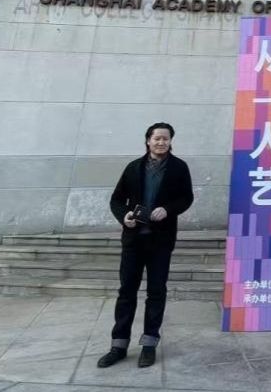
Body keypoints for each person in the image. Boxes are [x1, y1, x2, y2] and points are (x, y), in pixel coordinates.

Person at [96, 122, 194, 369]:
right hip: (133, 240)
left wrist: (168, 209)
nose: (161, 142)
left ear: (171, 142)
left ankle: (149, 344)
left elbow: (186, 198)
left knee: (156, 291)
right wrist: (124, 216)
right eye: (157, 138)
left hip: (161, 241)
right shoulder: (133, 168)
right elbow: (117, 200)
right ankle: (118, 345)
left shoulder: (179, 167)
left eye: (166, 139)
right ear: (148, 140)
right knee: (126, 291)